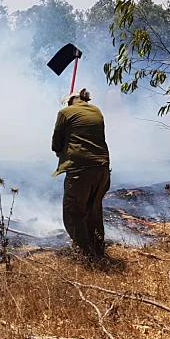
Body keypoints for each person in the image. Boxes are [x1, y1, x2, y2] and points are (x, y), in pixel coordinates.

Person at [51, 88, 111, 259]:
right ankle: (98, 251)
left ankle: (85, 255)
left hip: (80, 171)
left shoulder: (65, 112)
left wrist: (60, 151)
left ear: (70, 101)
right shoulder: (97, 111)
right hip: (102, 169)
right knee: (93, 211)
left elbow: (56, 142)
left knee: (74, 213)